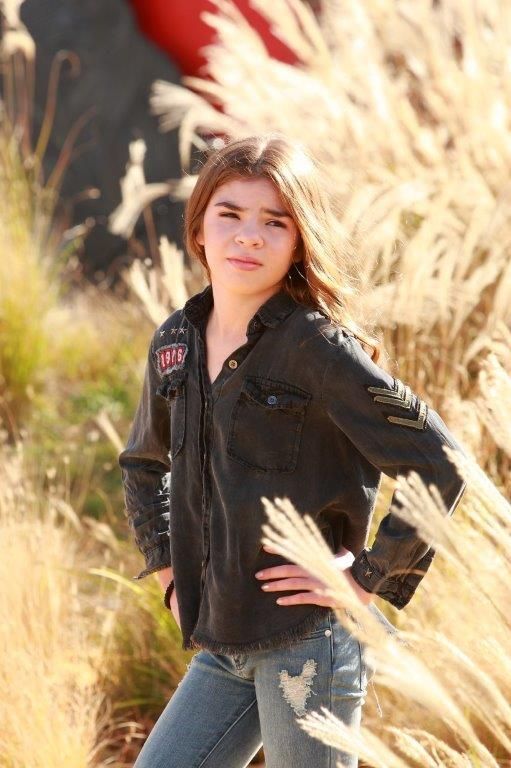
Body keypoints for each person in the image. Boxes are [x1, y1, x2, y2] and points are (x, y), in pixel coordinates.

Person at [118, 133, 466, 768]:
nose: (249, 236)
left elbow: (438, 461)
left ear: (299, 241)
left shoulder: (319, 348)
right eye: (230, 215)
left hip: (309, 639)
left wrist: (365, 579)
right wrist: (170, 574)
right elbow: (144, 465)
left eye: (274, 222)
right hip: (221, 636)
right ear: (199, 230)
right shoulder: (175, 341)